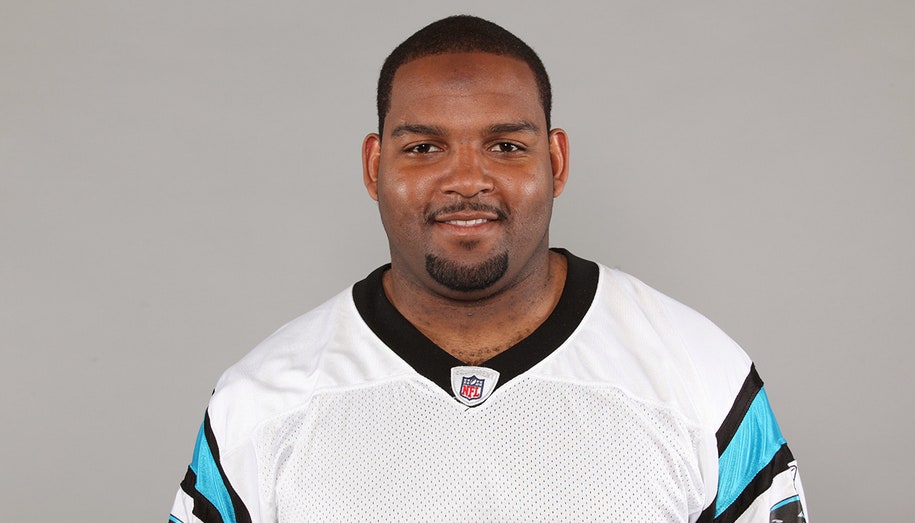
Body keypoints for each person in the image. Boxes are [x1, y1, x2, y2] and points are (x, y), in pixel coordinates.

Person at [169, 15, 808, 523]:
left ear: (556, 162)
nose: (467, 180)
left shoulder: (701, 379)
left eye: (505, 146)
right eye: (424, 147)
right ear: (374, 167)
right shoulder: (261, 402)